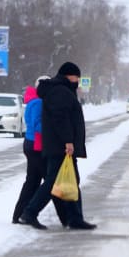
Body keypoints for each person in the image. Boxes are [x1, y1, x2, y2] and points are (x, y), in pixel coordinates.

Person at [20, 62, 97, 230]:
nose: (78, 81)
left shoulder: (60, 90)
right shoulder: (60, 91)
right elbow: (60, 119)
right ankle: (30, 212)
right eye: (77, 77)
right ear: (69, 75)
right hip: (59, 145)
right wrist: (68, 141)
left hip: (58, 144)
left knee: (71, 181)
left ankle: (75, 218)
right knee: (53, 181)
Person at [11, 76, 67, 225]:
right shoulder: (38, 102)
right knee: (50, 182)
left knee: (32, 182)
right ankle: (64, 217)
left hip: (33, 145)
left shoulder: (36, 100)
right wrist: (55, 131)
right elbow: (37, 125)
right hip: (36, 146)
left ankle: (19, 214)